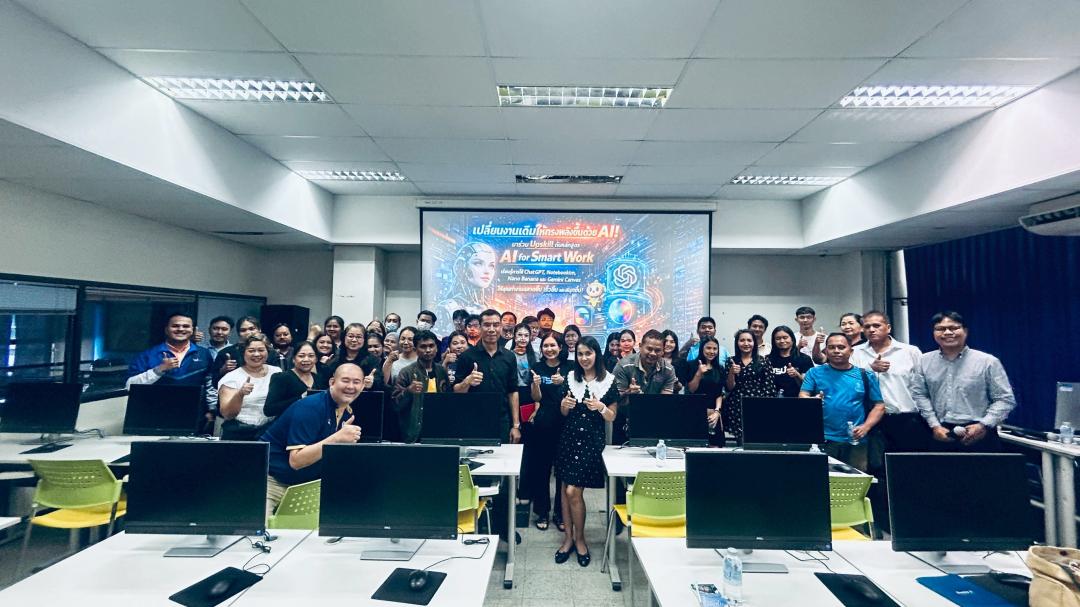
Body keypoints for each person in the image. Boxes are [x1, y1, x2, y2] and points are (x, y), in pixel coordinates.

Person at [454, 309, 522, 544]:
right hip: (473, 424)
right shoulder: (467, 357)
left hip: (502, 422)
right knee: (475, 475)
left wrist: (516, 424)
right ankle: (476, 523)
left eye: (495, 325)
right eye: (487, 325)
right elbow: (455, 392)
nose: (491, 329)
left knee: (504, 475)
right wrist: (466, 381)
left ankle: (504, 527)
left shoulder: (509, 357)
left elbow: (513, 391)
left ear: (501, 327)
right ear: (480, 327)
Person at [260, 363, 364, 518]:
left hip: (305, 485)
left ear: (363, 386)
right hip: (271, 481)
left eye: (356, 382)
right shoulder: (311, 407)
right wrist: (337, 438)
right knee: (258, 531)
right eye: (345, 380)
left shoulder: (347, 413)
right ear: (332, 382)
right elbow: (296, 461)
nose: (350, 386)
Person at [910, 311, 1016, 453]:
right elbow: (919, 395)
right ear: (934, 333)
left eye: (954, 328)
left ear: (965, 331)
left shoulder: (988, 362)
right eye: (940, 329)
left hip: (981, 434)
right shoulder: (923, 361)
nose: (947, 332)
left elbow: (1005, 399)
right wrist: (934, 426)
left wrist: (983, 425)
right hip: (940, 433)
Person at [554, 336, 618, 567]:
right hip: (568, 439)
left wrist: (601, 407)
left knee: (573, 491)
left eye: (588, 353)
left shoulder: (608, 380)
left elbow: (612, 416)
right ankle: (568, 539)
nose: (584, 358)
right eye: (580, 354)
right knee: (564, 489)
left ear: (596, 354)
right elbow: (563, 412)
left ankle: (580, 539)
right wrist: (564, 406)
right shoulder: (571, 377)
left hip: (591, 442)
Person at [800, 333, 886, 470]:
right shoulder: (814, 372)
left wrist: (865, 427)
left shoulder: (865, 375)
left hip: (855, 439)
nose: (836, 351)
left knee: (856, 480)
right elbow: (803, 395)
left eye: (841, 347)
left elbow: (879, 406)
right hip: (823, 439)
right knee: (821, 478)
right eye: (831, 347)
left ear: (851, 351)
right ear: (826, 351)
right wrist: (812, 401)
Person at [850, 311, 927, 453]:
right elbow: (848, 383)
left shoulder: (910, 351)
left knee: (907, 462)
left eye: (876, 325)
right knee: (875, 463)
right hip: (869, 420)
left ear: (888, 328)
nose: (871, 330)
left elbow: (923, 385)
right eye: (867, 327)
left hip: (906, 418)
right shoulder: (855, 352)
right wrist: (870, 369)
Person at [126, 313, 214, 432]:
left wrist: (212, 410)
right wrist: (159, 369)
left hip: (195, 416)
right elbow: (130, 385)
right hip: (154, 416)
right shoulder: (148, 355)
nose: (181, 329)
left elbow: (210, 384)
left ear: (192, 330)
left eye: (186, 326)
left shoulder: (204, 354)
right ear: (166, 329)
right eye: (175, 326)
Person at [523, 333, 571, 532]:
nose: (549, 349)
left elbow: (577, 392)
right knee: (541, 469)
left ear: (560, 347)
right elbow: (536, 398)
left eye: (553, 345)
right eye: (545, 346)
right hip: (543, 422)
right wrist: (535, 384)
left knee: (562, 471)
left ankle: (561, 513)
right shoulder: (537, 367)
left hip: (566, 423)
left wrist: (564, 382)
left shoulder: (570, 367)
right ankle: (542, 511)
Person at [614, 330, 676, 446]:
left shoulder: (668, 370)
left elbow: (665, 403)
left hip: (655, 421)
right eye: (649, 349)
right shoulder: (623, 366)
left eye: (657, 350)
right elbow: (615, 402)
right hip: (624, 420)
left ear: (663, 351)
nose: (653, 353)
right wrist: (629, 394)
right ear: (640, 346)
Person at [218, 334, 282, 440]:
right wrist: (240, 394)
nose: (256, 354)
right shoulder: (231, 377)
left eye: (261, 350)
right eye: (251, 350)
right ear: (243, 352)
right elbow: (227, 414)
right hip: (240, 433)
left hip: (270, 431)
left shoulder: (277, 372)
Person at [392, 330, 450, 443]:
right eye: (423, 347)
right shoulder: (406, 372)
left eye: (431, 346)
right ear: (415, 349)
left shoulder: (441, 371)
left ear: (436, 348)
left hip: (438, 429)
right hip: (414, 432)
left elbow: (448, 401)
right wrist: (408, 391)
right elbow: (395, 404)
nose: (428, 350)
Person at [724, 329, 777, 444]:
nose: (746, 343)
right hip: (736, 406)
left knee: (757, 442)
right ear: (737, 343)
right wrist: (732, 372)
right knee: (740, 442)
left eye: (749, 340)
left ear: (754, 342)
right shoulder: (731, 361)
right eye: (742, 340)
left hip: (758, 406)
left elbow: (770, 388)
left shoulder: (763, 361)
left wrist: (764, 408)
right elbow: (729, 388)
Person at [210, 316, 281, 387]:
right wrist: (223, 371)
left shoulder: (271, 352)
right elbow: (215, 383)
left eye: (252, 329)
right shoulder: (225, 353)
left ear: (259, 330)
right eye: (243, 330)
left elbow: (279, 380)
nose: (248, 333)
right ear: (238, 333)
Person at [436, 242, 498, 322]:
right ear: (461, 266)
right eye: (478, 263)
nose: (487, 271)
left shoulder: (491, 310)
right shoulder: (447, 308)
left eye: (491, 266)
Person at [264, 341, 327, 418]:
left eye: (311, 356)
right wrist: (300, 398)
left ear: (316, 359)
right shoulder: (281, 378)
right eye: (301, 356)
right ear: (293, 359)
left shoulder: (319, 379)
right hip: (288, 423)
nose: (306, 359)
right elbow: (269, 410)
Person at [686, 336, 726, 446]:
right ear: (702, 349)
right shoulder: (691, 365)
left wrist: (717, 412)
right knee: (694, 447)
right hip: (695, 412)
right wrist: (699, 373)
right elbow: (691, 389)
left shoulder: (720, 368)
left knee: (716, 448)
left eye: (715, 349)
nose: (712, 351)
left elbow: (719, 394)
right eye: (708, 348)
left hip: (713, 415)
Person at [767, 326, 815, 398]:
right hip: (772, 400)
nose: (782, 341)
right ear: (774, 341)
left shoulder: (804, 359)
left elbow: (809, 387)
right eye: (778, 338)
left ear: (792, 339)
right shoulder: (767, 359)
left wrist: (797, 375)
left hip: (797, 400)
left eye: (785, 337)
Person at [509, 323, 539, 411]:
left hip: (530, 393)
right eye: (519, 335)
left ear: (530, 338)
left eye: (526, 336)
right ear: (514, 337)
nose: (523, 338)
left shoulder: (536, 356)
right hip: (512, 392)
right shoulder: (508, 355)